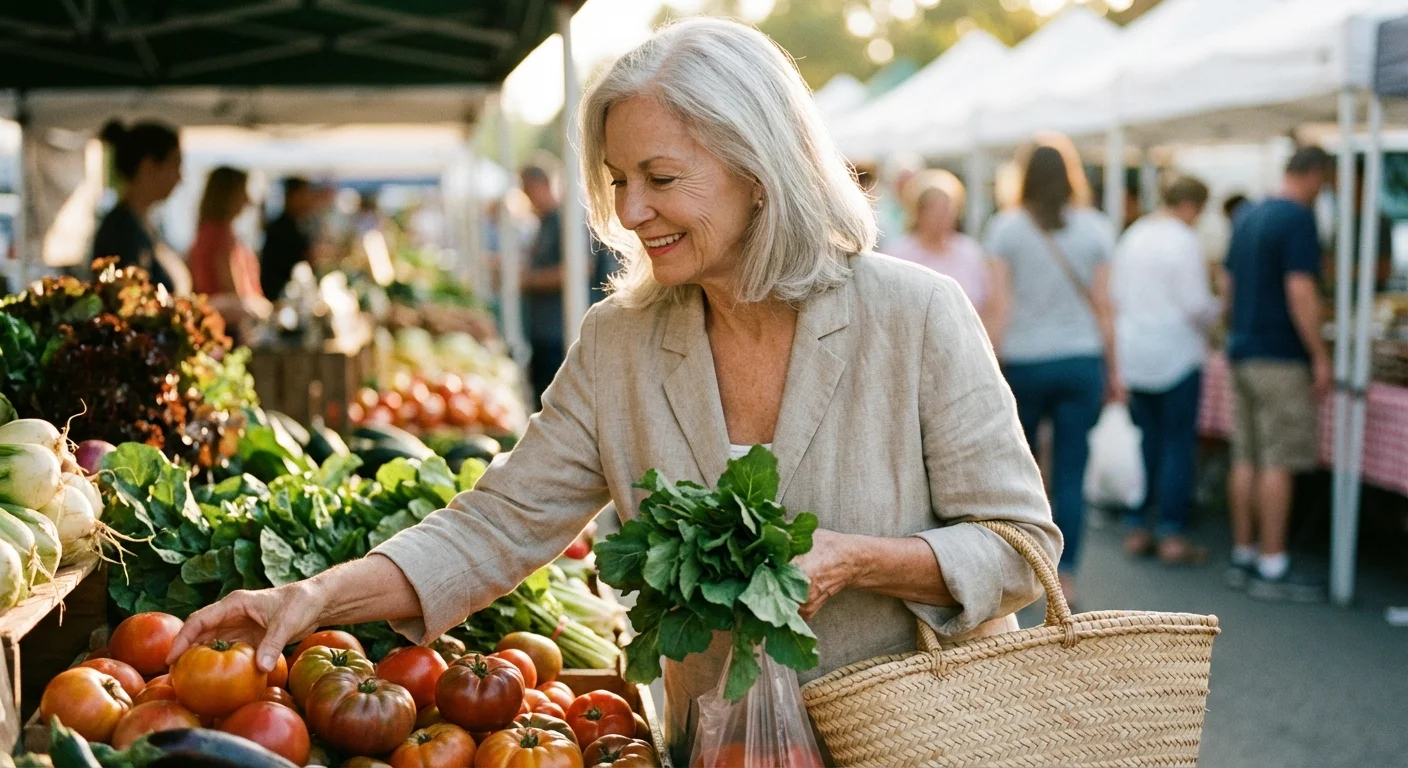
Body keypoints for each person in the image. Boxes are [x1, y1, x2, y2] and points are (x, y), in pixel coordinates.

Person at [168, 18, 1059, 765]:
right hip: (716, 748)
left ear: (761, 171)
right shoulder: (622, 341)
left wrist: (859, 558)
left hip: (918, 743)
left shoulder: (915, 315)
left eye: (661, 179)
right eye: (619, 181)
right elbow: (496, 524)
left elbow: (1022, 546)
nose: (630, 213)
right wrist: (313, 598)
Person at [985, 134, 1119, 605]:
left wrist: (990, 362)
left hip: (1024, 362)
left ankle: (1021, 567)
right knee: (1071, 472)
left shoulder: (1006, 228)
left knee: (1018, 473)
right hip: (1081, 361)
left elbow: (1000, 305)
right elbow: (1105, 306)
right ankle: (1067, 578)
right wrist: (1114, 368)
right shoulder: (1097, 228)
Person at [1223, 146, 1333, 601]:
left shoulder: (1248, 214)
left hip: (1244, 348)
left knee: (1247, 456)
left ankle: (1244, 551)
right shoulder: (1297, 219)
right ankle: (1273, 561)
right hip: (1280, 355)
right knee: (1277, 461)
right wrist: (1320, 354)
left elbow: (1228, 286)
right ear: (1314, 174)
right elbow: (1301, 291)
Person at [1111, 176, 1220, 565]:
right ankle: (1171, 530)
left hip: (1137, 352)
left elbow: (1117, 295)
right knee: (1177, 444)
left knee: (1148, 441)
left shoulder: (1134, 235)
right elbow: (1195, 304)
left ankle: (1139, 523)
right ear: (1193, 205)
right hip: (1176, 353)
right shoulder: (1185, 241)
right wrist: (1218, 309)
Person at [886, 169, 996, 334]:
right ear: (919, 212)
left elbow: (988, 301)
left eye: (947, 208)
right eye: (935, 209)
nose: (942, 216)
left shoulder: (969, 251)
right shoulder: (898, 254)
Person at [92, 120, 189, 294]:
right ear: (148, 167)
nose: (180, 179)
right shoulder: (121, 231)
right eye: (175, 165)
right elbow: (129, 304)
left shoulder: (145, 224)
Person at [188, 167, 269, 336]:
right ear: (228, 195)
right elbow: (233, 291)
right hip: (225, 327)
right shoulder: (218, 236)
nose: (247, 200)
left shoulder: (212, 232)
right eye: (242, 192)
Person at [519, 164, 568, 407]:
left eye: (527, 189)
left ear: (543, 185)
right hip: (541, 330)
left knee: (552, 401)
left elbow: (576, 270)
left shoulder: (564, 221)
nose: (526, 196)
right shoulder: (544, 222)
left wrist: (528, 280)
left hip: (557, 333)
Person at [260, 177, 318, 301]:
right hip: (280, 298)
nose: (308, 200)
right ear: (291, 196)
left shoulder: (296, 225)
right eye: (304, 195)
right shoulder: (279, 229)